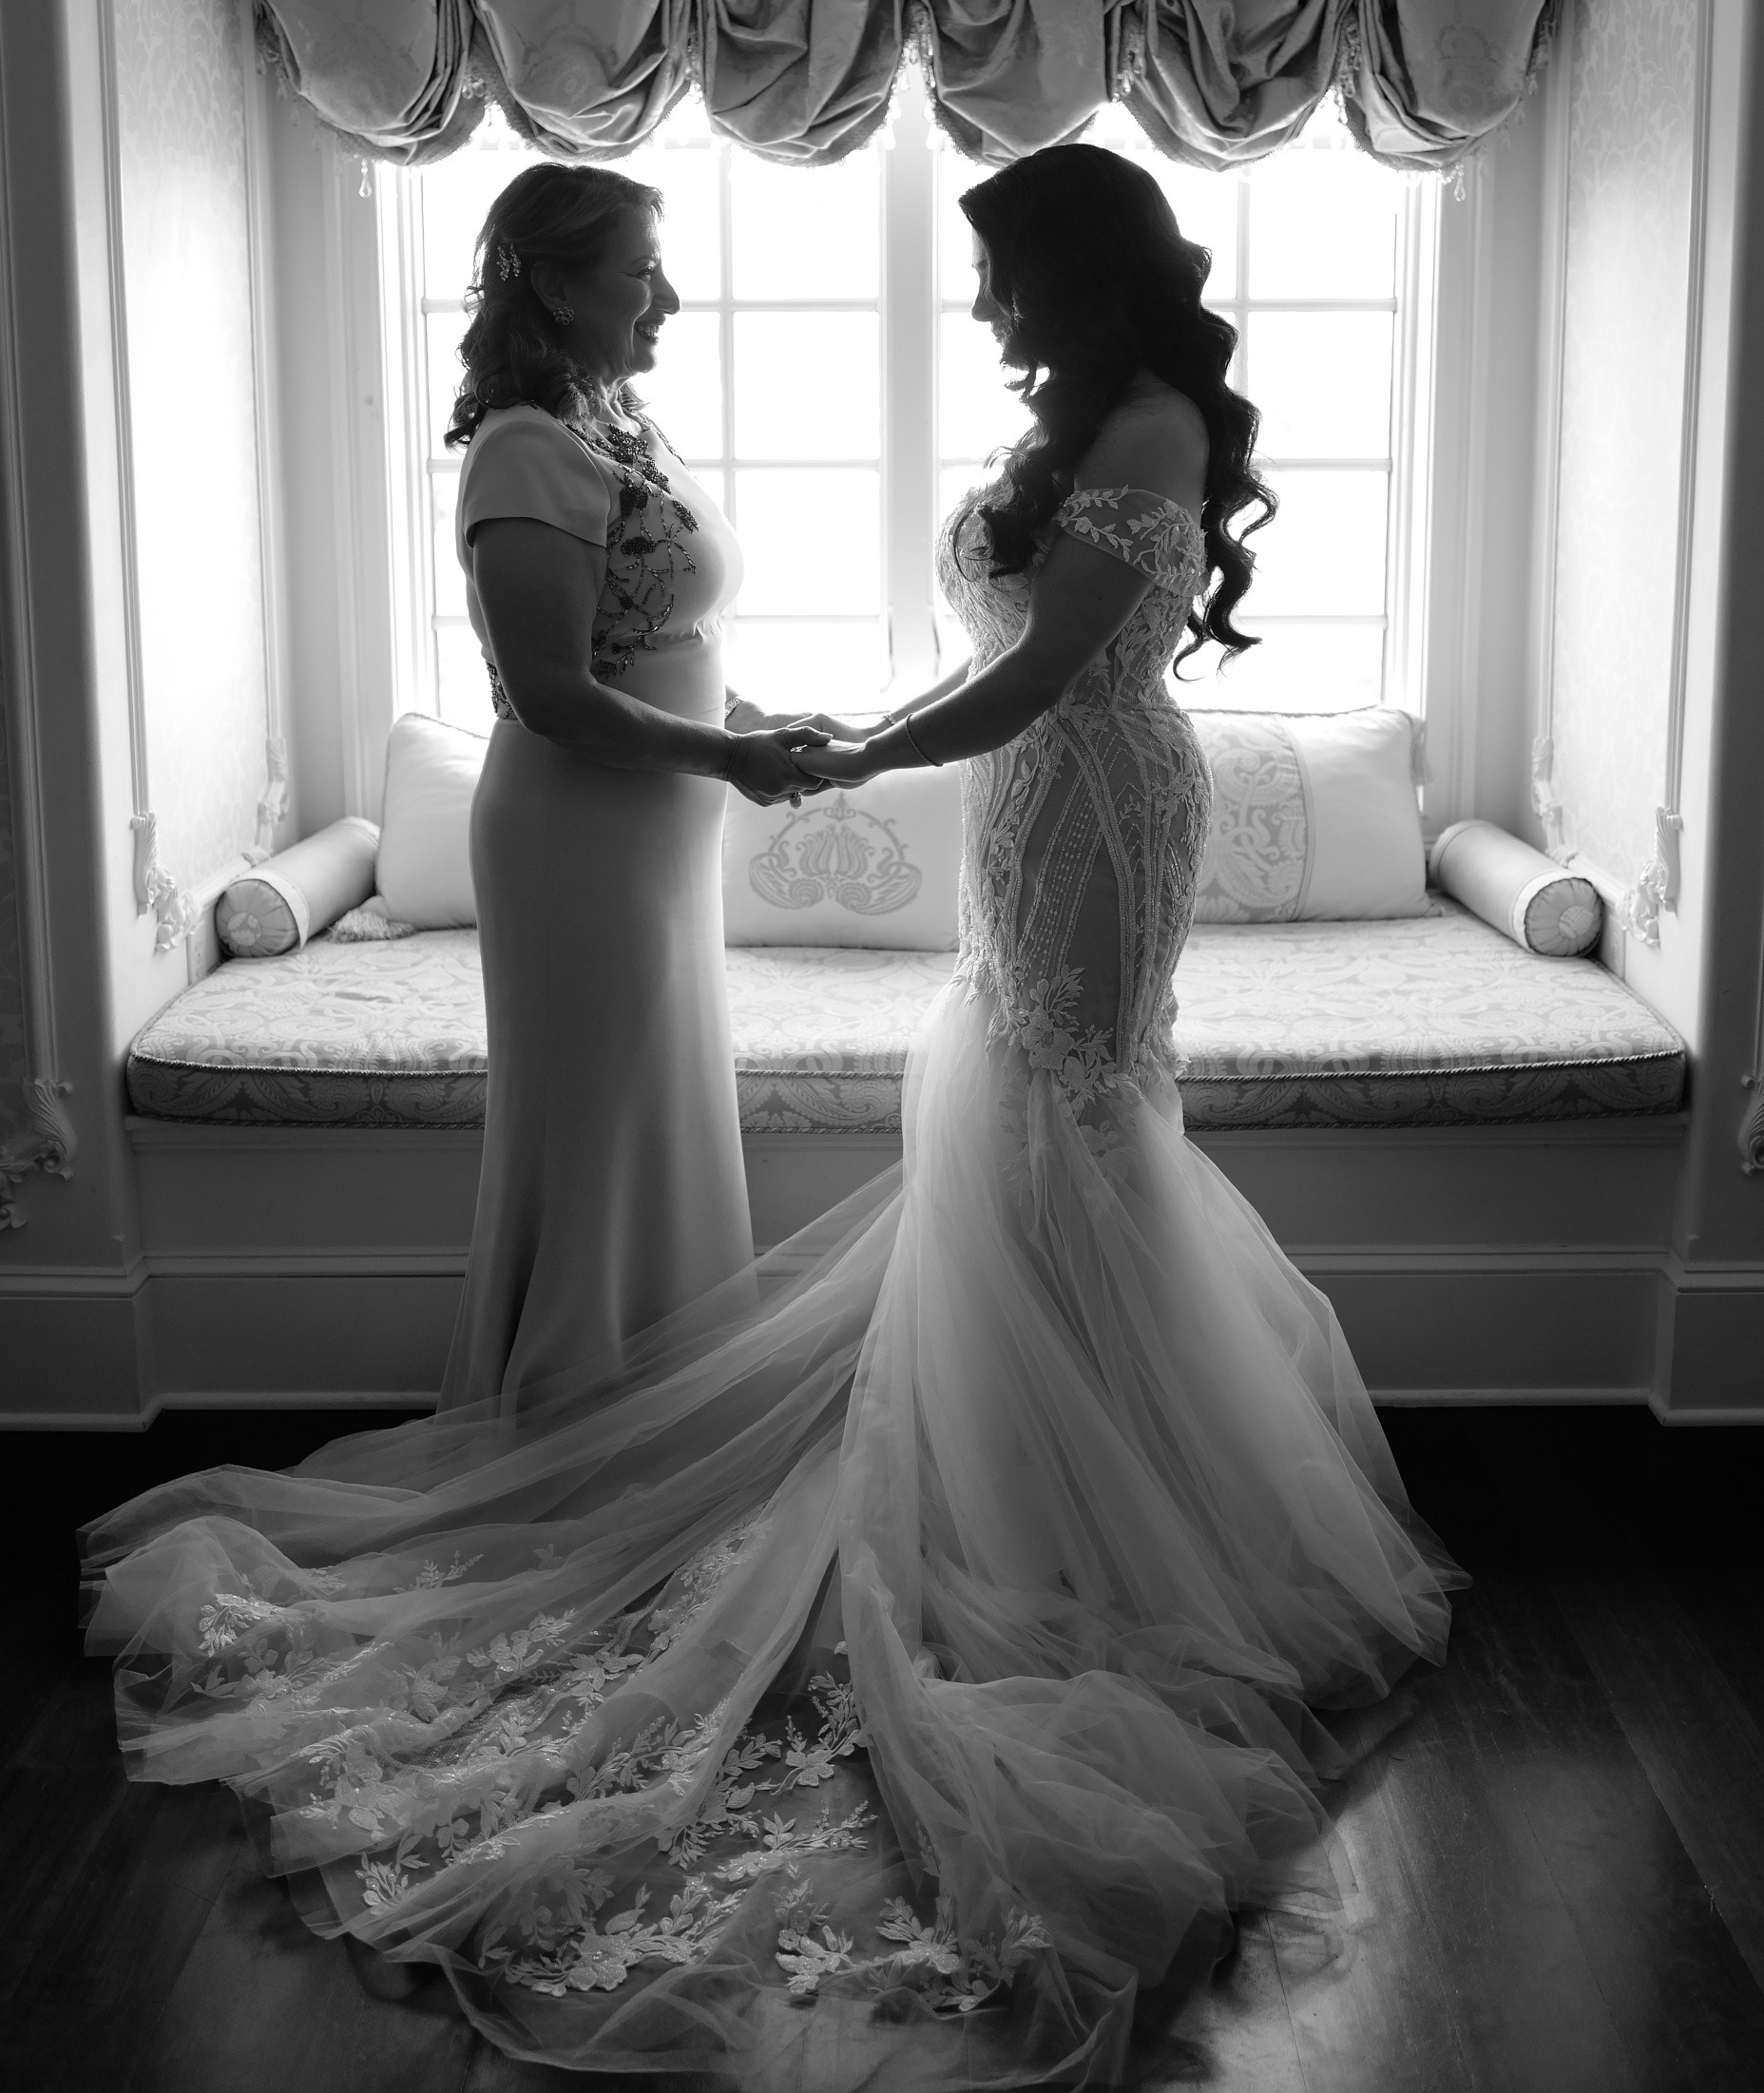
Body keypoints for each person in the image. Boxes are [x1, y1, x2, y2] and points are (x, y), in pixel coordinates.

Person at [84, 142, 1460, 2092]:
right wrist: (813, 741)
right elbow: (948, 661)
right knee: (1018, 1114)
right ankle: (1039, 1470)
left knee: (1064, 1114)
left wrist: (834, 757)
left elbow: (1053, 669)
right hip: (1018, 810)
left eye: (999, 284)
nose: (980, 320)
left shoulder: (1143, 426)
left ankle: (1098, 1504)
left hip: (1089, 820)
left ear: (1081, 282)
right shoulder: (1054, 415)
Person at [435, 163, 826, 1410]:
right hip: (578, 840)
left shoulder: (615, 424)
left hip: (650, 839)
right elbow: (549, 691)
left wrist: (745, 720)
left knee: (656, 1101)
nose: (666, 298)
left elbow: (648, 642)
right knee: (598, 1120)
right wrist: (726, 757)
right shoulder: (524, 453)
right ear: (552, 284)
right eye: (639, 272)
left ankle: (664, 1383)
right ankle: (572, 1402)